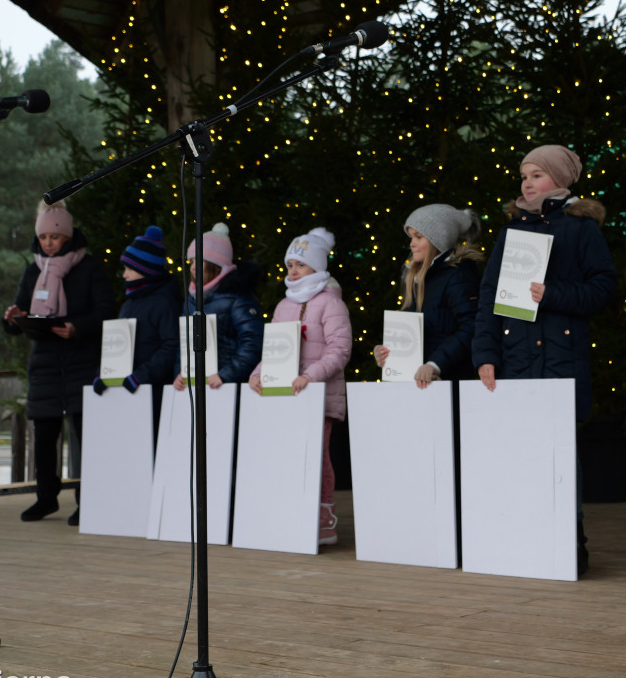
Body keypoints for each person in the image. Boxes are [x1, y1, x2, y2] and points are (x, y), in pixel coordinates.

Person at [471, 145, 617, 575]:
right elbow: (489, 299)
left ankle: (572, 541)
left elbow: (604, 287)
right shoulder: (510, 233)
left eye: (537, 175)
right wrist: (485, 354)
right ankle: (524, 535)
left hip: (560, 359)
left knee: (560, 455)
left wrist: (553, 295)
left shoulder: (581, 228)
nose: (528, 183)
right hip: (515, 361)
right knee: (519, 452)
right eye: (524, 176)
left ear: (560, 179)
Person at [3, 201, 115, 525]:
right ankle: (46, 498)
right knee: (44, 438)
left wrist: (77, 327)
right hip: (45, 365)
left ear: (67, 236)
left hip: (82, 361)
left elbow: (107, 310)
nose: (48, 243)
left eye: (54, 237)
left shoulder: (89, 268)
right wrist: (14, 319)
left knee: (85, 438)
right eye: (43, 238)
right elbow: (23, 312)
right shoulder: (32, 271)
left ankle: (87, 500)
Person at [248, 227, 352, 546]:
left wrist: (311, 375)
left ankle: (323, 520)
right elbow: (276, 348)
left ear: (317, 267)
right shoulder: (284, 305)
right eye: (289, 264)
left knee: (318, 457)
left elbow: (340, 349)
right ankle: (291, 515)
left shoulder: (330, 303)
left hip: (317, 396)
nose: (293, 270)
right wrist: (259, 372)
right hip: (287, 394)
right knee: (290, 456)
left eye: (300, 265)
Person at [373, 204, 483, 386]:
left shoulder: (458, 274)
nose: (411, 243)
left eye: (419, 237)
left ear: (437, 240)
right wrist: (387, 353)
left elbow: (471, 327)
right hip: (417, 384)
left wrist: (435, 364)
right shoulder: (413, 278)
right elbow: (410, 333)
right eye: (411, 237)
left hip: (447, 382)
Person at [92, 225, 181, 445]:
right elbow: (117, 345)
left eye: (129, 268)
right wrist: (103, 373)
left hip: (152, 393)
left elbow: (171, 345)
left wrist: (142, 376)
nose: (124, 274)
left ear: (146, 268)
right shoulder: (130, 303)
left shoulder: (164, 302)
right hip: (126, 393)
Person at [173, 221, 263, 389]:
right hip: (198, 386)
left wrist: (226, 375)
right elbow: (184, 345)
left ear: (216, 266)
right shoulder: (191, 300)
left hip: (227, 388)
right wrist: (181, 372)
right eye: (191, 262)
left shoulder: (238, 297)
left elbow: (253, 342)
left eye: (199, 262)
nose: (193, 268)